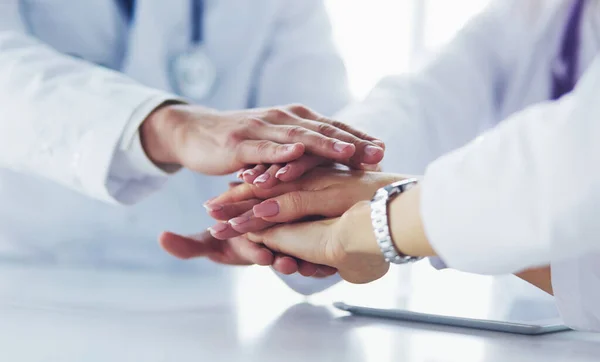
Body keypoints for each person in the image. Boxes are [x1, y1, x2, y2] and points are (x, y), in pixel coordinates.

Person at [167, 0, 600, 331]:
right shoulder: (545, 13)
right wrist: (306, 195)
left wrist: (379, 219)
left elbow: (569, 163)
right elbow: (424, 101)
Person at [0, 0, 385, 293]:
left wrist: (290, 207)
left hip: (192, 291)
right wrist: (170, 126)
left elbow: (309, 126)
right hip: (19, 276)